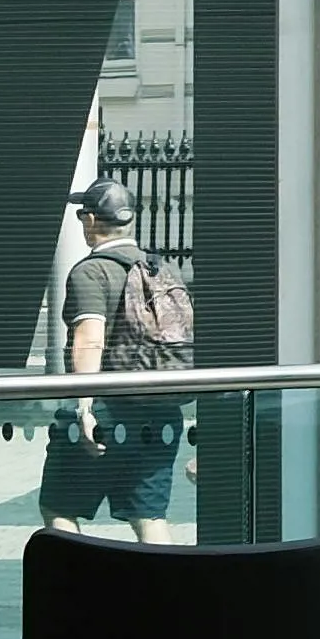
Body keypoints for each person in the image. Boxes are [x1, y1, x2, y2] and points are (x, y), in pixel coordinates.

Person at [47, 189, 189, 527]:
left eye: (82, 214)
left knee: (59, 507)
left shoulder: (92, 272)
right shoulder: (161, 269)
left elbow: (90, 339)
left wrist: (84, 408)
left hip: (108, 413)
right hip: (162, 412)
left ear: (92, 220)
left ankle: (76, 579)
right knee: (150, 519)